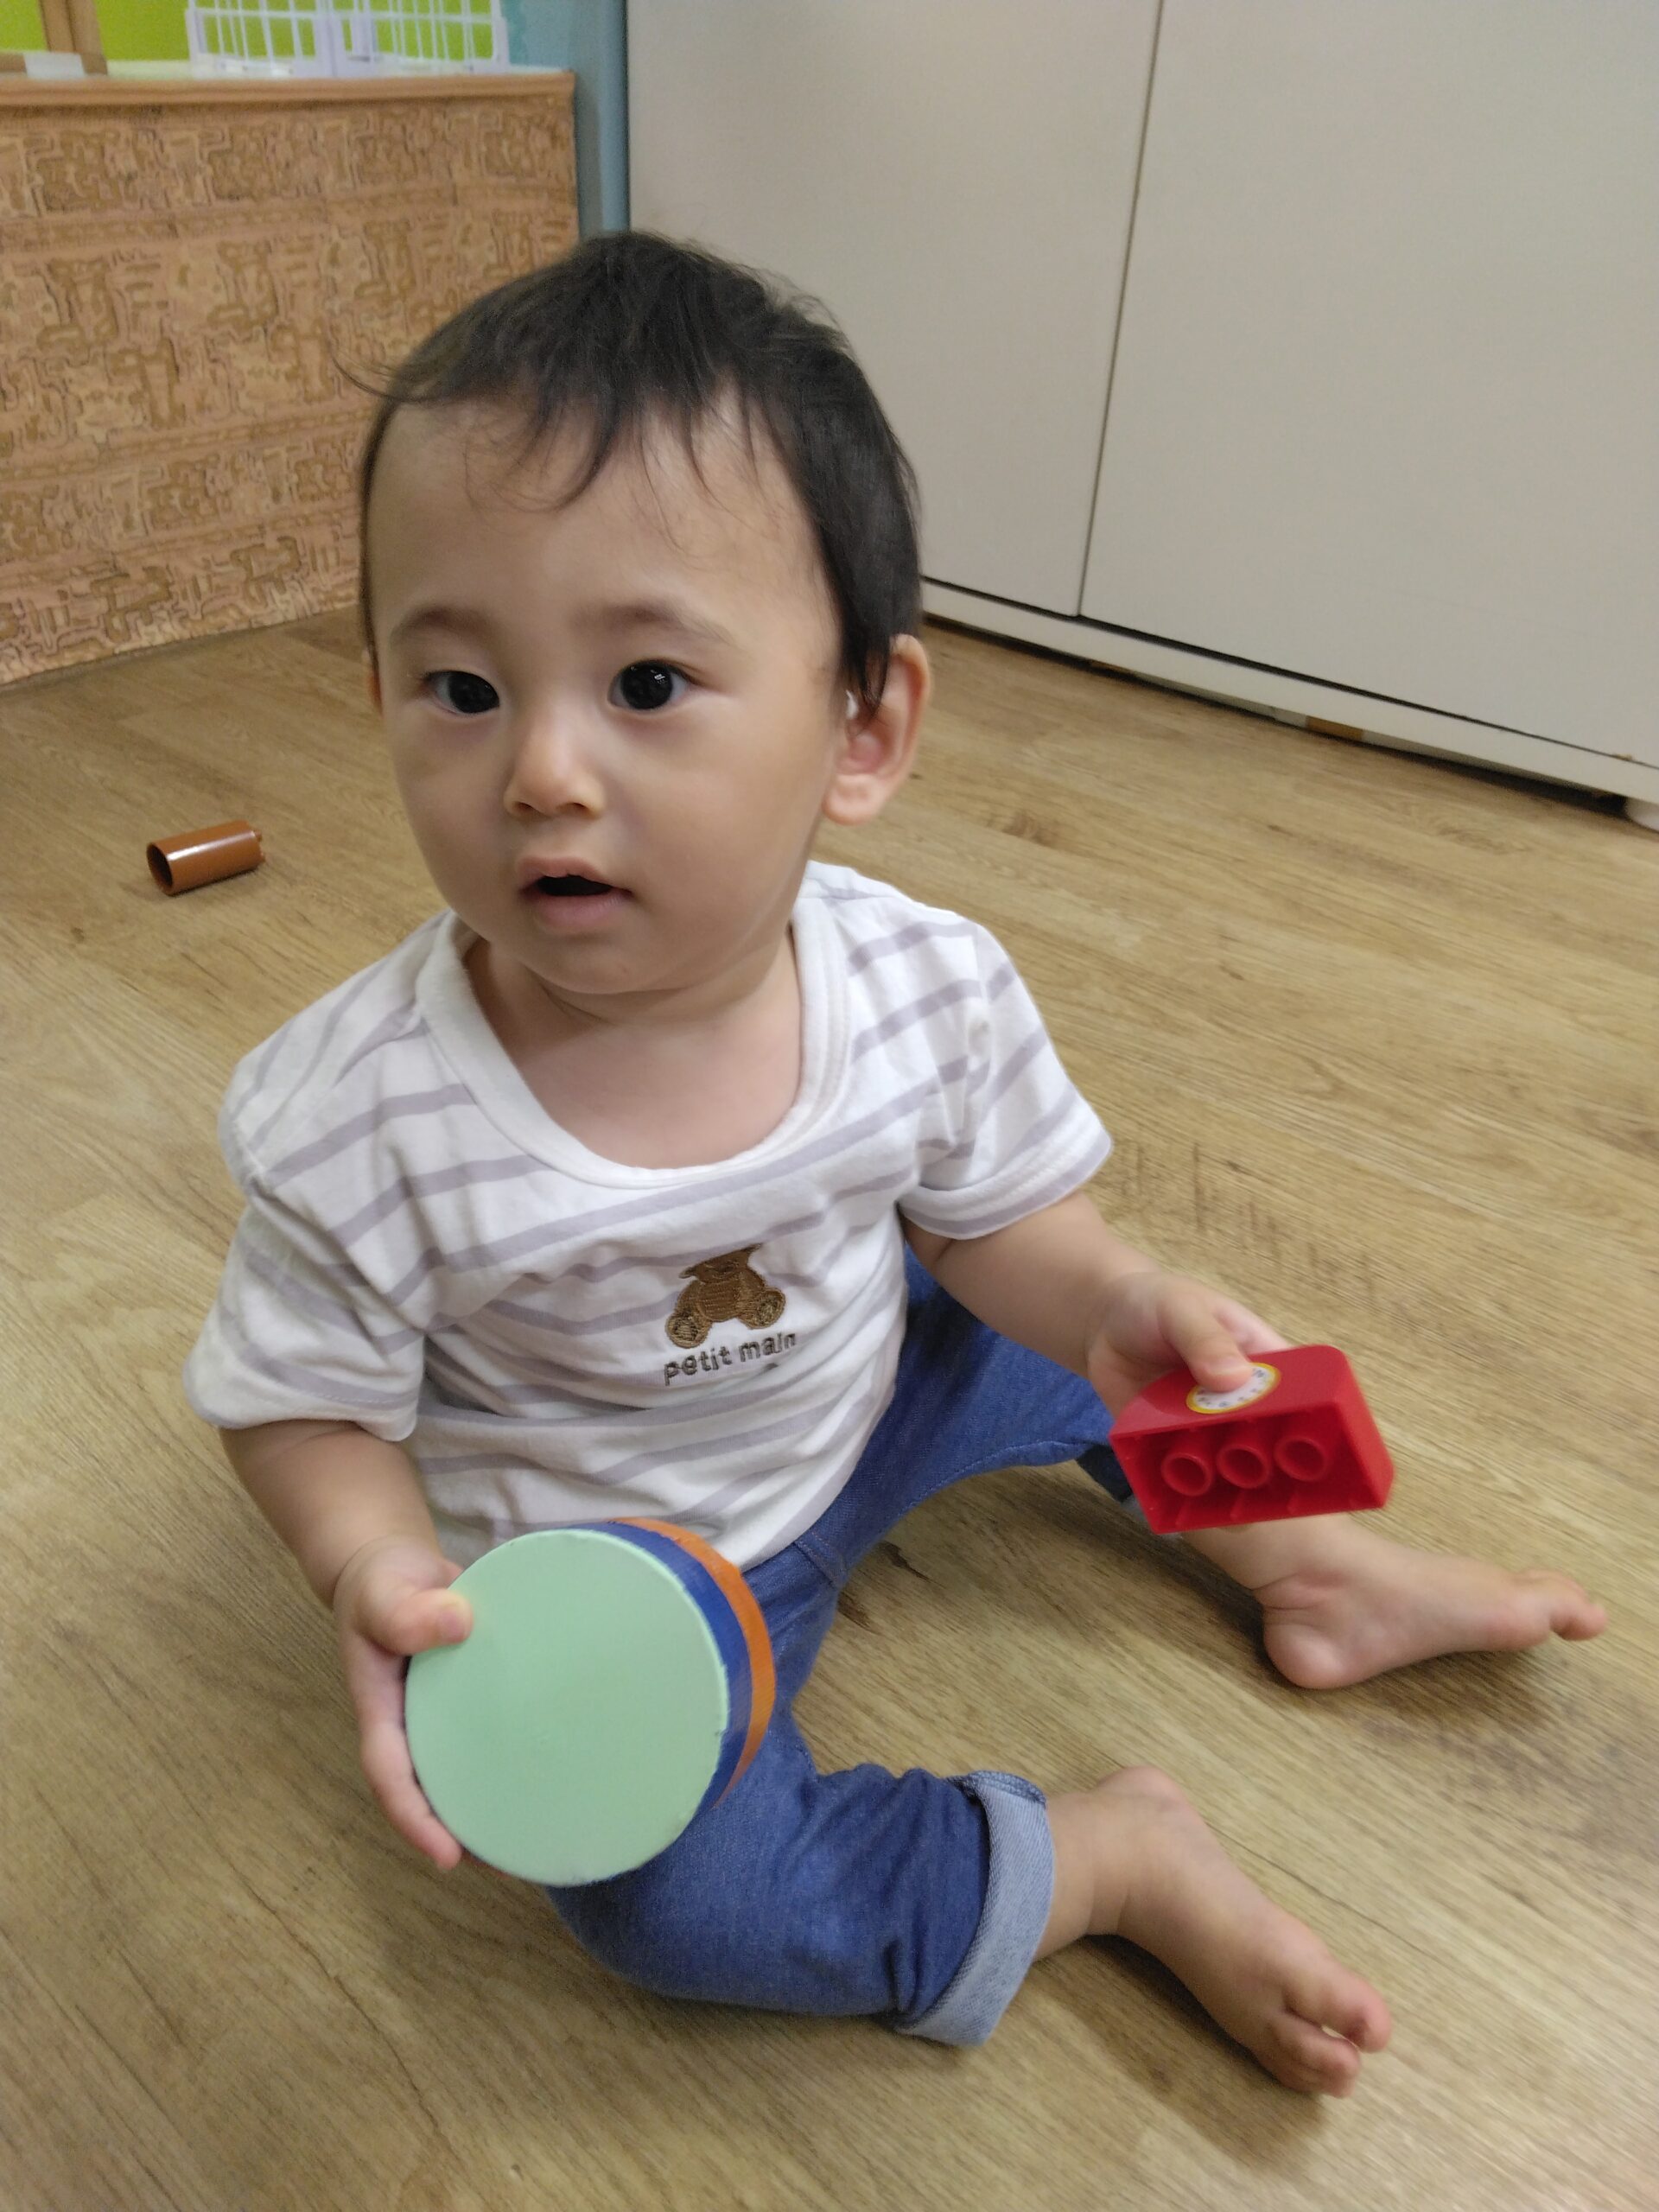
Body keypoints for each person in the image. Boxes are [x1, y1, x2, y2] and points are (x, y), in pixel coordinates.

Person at [184, 232, 1605, 2096]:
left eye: (647, 680)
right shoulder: (357, 1116)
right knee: (669, 1909)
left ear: (864, 728)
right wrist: (367, 1557)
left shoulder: (920, 982)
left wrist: (1105, 1294)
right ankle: (1103, 1860)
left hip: (876, 1383)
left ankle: (1317, 1565)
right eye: (460, 689)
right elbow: (298, 1403)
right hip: (643, 1581)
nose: (541, 771)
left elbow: (1006, 1224)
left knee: (1131, 1359)